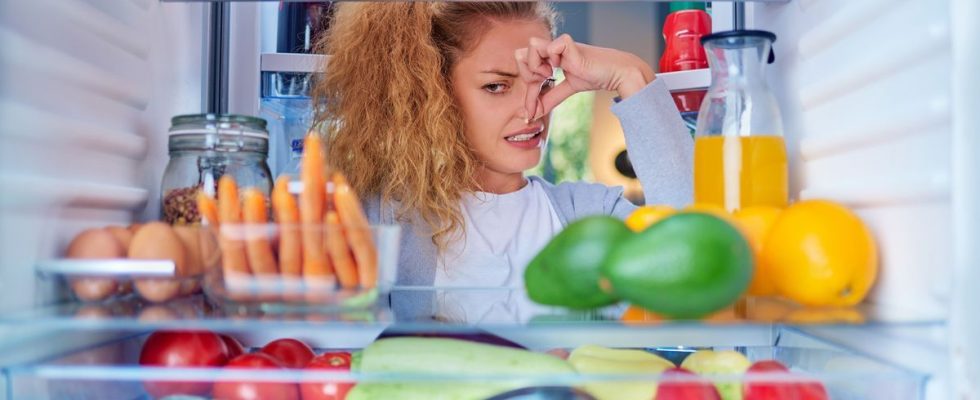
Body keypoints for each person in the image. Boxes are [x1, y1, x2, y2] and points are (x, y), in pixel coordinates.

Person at [312, 2, 692, 322]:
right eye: (497, 86)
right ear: (432, 94)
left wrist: (629, 74)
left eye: (543, 84)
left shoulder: (590, 214)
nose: (532, 110)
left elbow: (699, 251)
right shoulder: (381, 217)